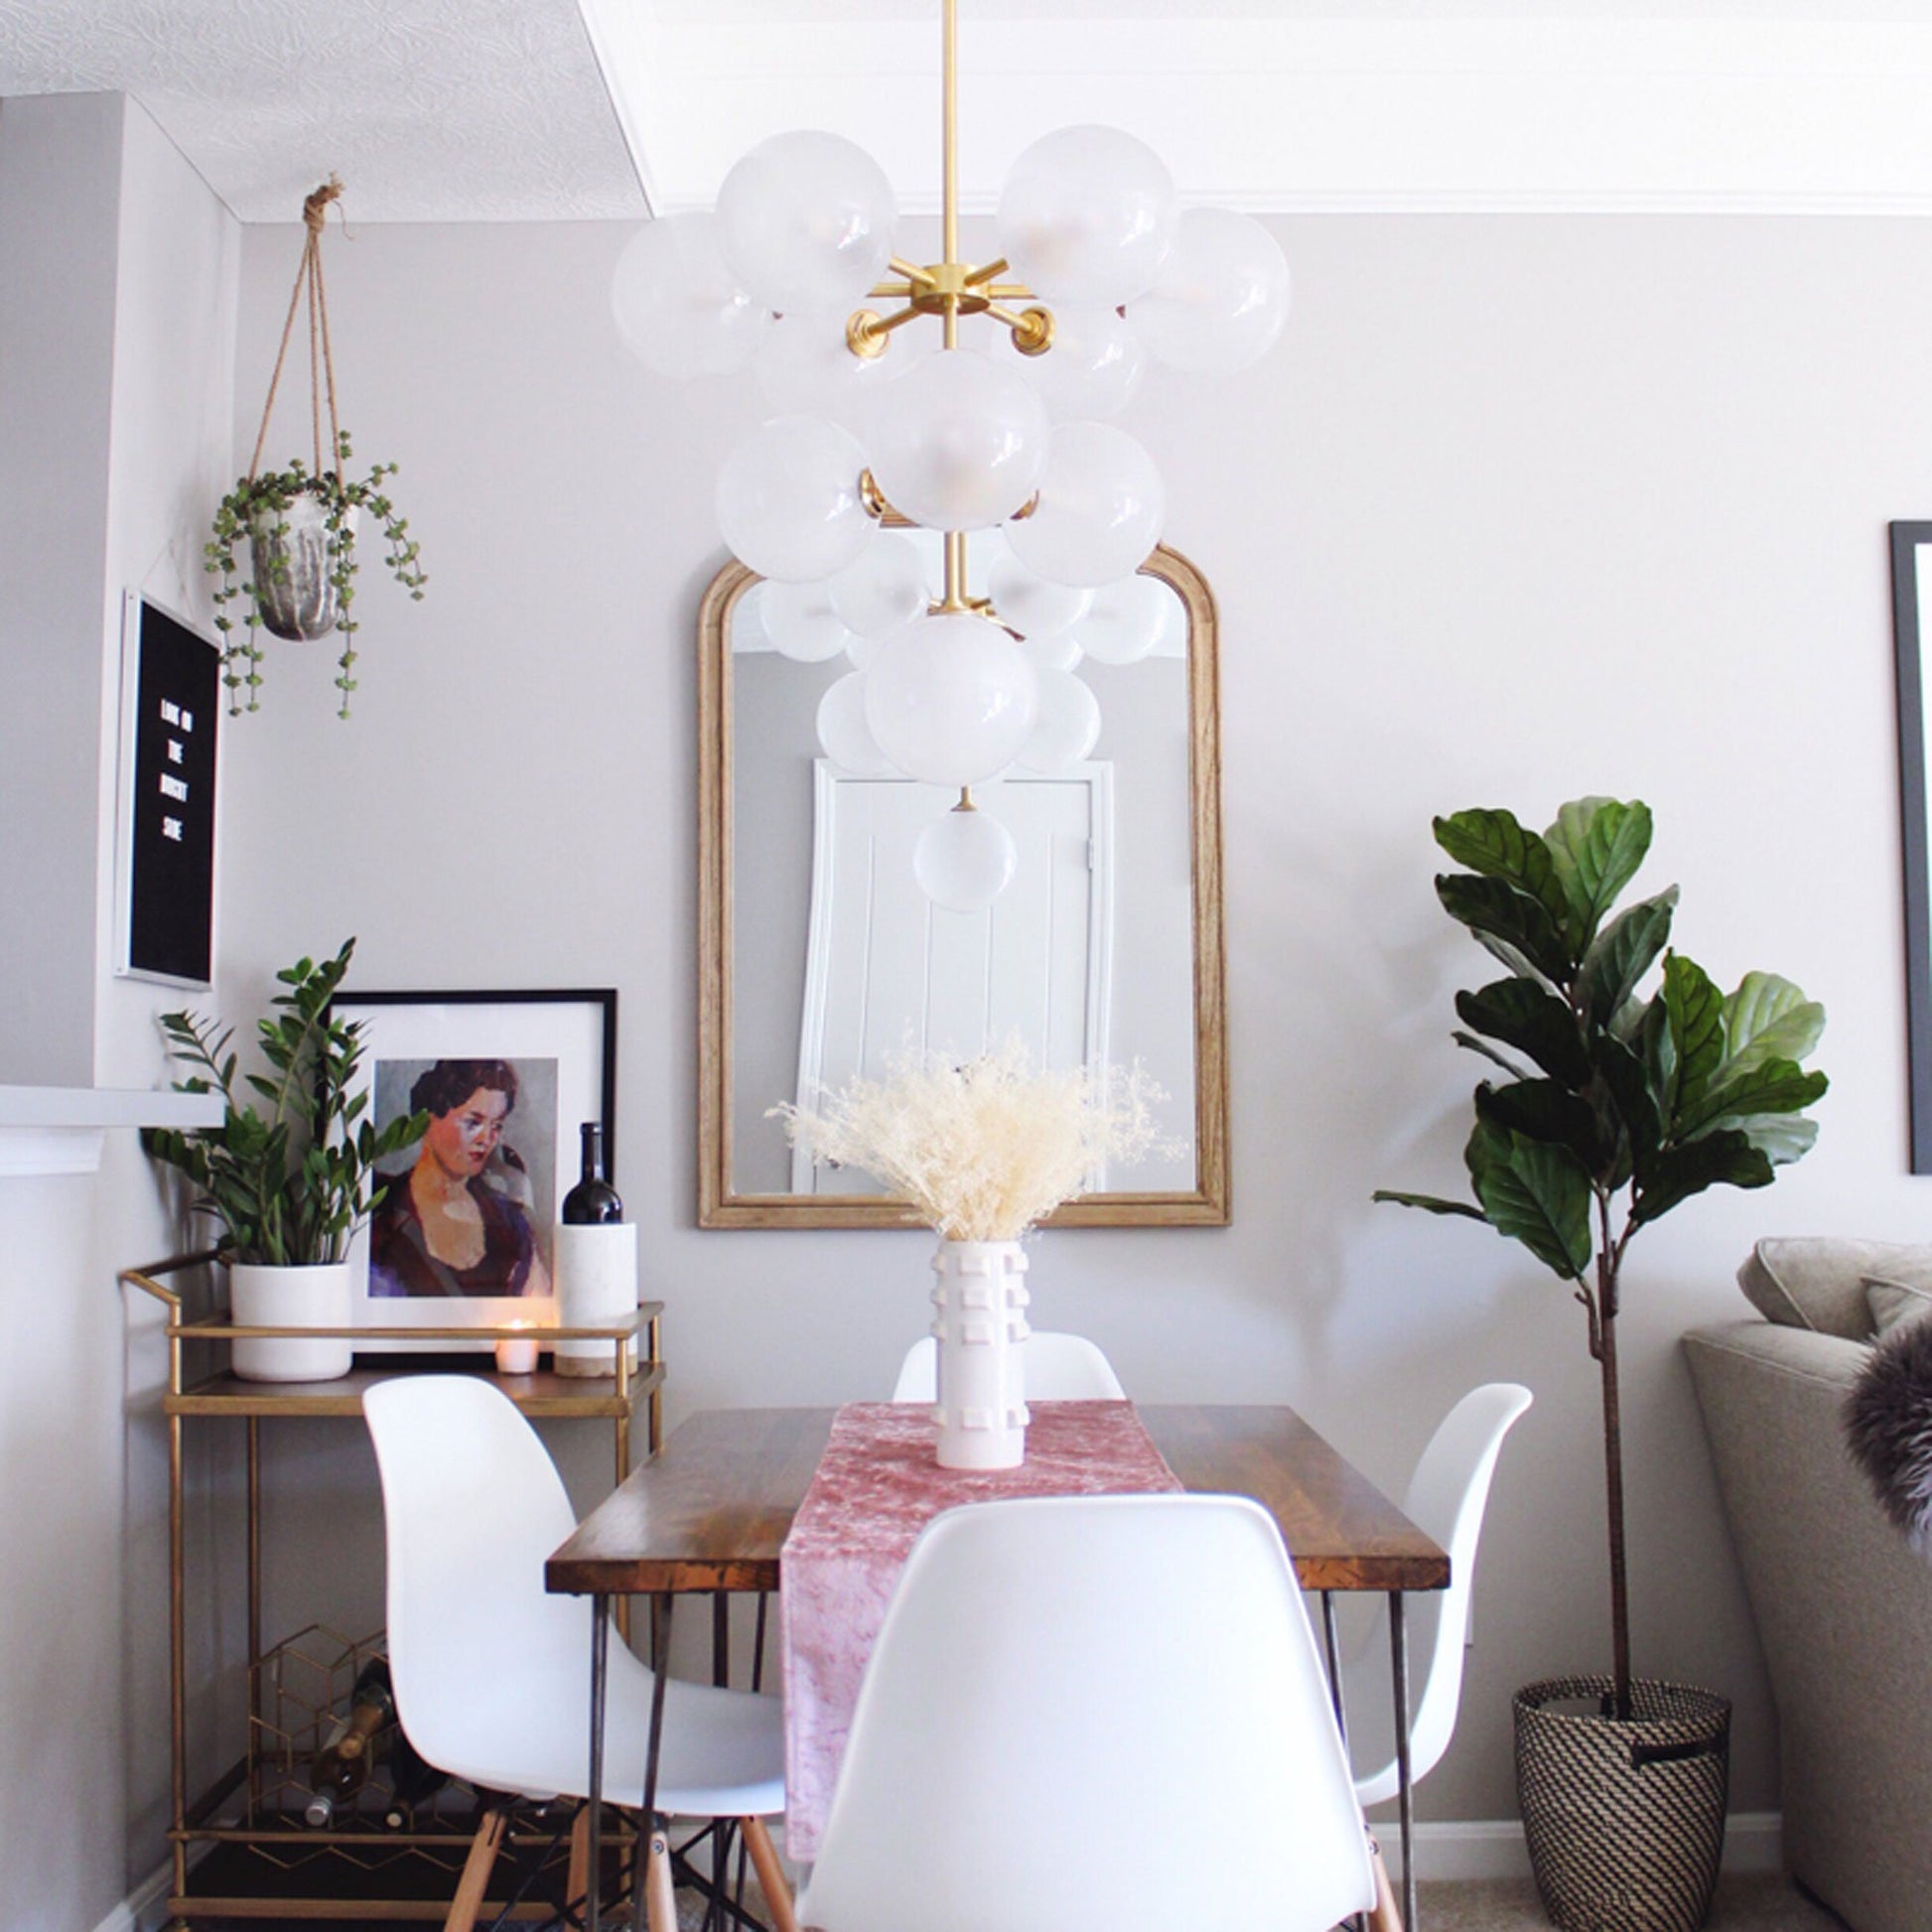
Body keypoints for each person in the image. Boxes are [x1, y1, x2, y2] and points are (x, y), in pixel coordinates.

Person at [368, 1059, 553, 1299]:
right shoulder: (381, 1210)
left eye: (496, 1125)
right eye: (473, 1122)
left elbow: (537, 1305)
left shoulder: (511, 1224)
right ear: (428, 1119)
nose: (487, 1139)